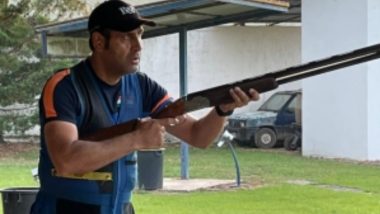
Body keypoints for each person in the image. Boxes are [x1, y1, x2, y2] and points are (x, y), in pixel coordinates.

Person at [30, 0, 260, 213]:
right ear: (99, 42)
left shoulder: (141, 86)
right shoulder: (65, 86)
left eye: (140, 35)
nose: (138, 47)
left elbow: (198, 135)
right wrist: (137, 139)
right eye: (125, 38)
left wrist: (222, 109)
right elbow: (66, 161)